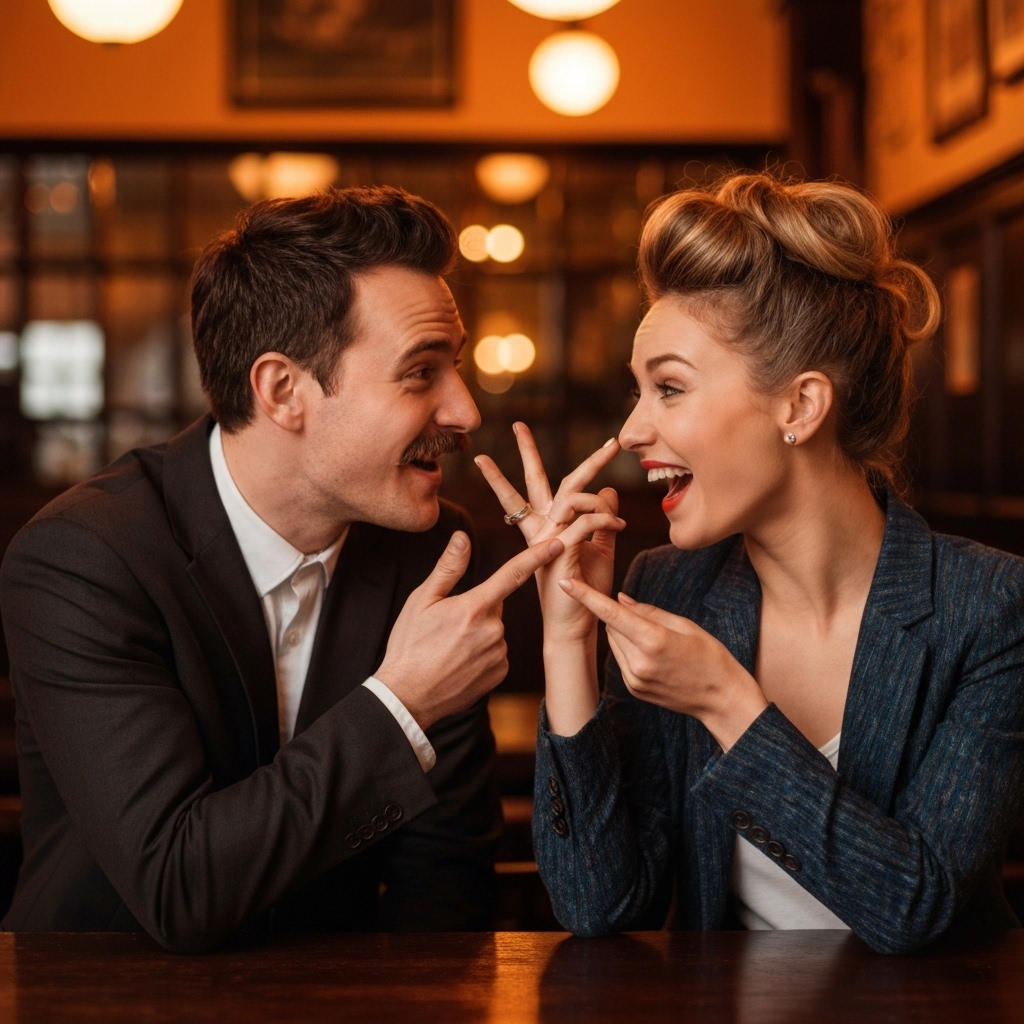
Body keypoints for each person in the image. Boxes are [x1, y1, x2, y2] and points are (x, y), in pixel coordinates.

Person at [0, 186, 568, 952]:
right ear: (283, 391)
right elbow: (177, 884)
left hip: (344, 994)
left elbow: (444, 883)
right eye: (420, 372)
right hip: (105, 988)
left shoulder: (436, 553)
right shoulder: (85, 558)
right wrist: (403, 703)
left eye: (455, 366)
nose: (465, 411)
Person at [476, 172, 1024, 954]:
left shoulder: (991, 605)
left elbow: (918, 908)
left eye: (669, 388)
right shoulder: (669, 589)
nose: (632, 431)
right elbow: (601, 904)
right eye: (639, 392)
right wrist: (568, 638)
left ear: (800, 405)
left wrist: (729, 705)